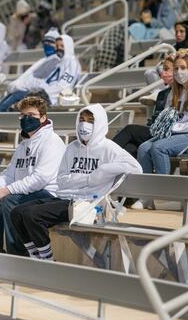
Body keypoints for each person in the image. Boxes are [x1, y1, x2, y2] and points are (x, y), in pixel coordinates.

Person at [10, 105, 142, 261]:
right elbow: (62, 181)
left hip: (88, 204)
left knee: (32, 215)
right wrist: (88, 179)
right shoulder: (72, 147)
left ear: (99, 123)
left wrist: (103, 171)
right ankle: (35, 256)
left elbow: (136, 168)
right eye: (81, 119)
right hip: (64, 198)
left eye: (90, 121)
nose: (84, 124)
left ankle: (47, 260)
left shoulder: (109, 148)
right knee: (16, 213)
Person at [0, 96, 65, 255]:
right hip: (26, 192)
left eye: (31, 115)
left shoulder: (52, 141)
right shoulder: (24, 145)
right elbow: (9, 174)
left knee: (10, 201)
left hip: (49, 194)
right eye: (22, 116)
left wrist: (6, 191)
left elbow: (40, 179)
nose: (25, 119)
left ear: (43, 117)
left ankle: (18, 256)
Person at [138, 50, 188, 175]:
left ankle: (163, 191)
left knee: (159, 148)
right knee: (143, 148)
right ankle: (146, 191)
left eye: (183, 68)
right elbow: (168, 116)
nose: (178, 72)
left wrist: (174, 128)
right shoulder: (176, 92)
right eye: (175, 69)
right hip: (179, 134)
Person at [0, 34, 80, 112]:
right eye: (57, 46)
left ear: (68, 46)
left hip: (53, 97)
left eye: (62, 46)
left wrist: (45, 92)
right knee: (15, 95)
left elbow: (64, 85)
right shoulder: (60, 62)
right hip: (44, 93)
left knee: (19, 96)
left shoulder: (71, 62)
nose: (58, 48)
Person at [113, 55, 175, 158]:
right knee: (130, 148)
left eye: (167, 70)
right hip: (155, 131)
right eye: (163, 70)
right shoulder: (162, 94)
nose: (163, 73)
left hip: (168, 135)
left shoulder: (183, 94)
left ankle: (102, 156)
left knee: (130, 130)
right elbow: (155, 119)